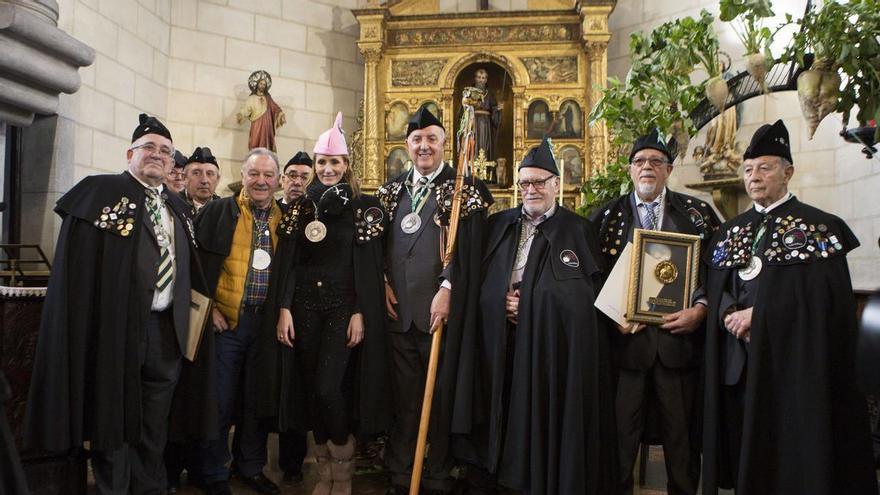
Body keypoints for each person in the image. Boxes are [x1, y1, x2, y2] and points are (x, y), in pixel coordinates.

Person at [24, 114, 212, 494]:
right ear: (130, 154)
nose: (157, 155)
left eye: (165, 150)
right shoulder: (99, 193)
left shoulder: (177, 207)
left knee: (154, 421)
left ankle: (148, 487)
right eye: (149, 148)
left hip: (166, 331)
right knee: (111, 417)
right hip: (116, 328)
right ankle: (113, 489)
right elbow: (77, 272)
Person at [701, 120, 878, 495]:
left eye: (765, 167)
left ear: (788, 172)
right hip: (740, 366)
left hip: (792, 368)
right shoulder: (730, 230)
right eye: (748, 170)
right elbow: (718, 286)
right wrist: (728, 314)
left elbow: (825, 304)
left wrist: (761, 317)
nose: (754, 177)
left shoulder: (819, 229)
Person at [468, 137, 616, 494]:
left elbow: (584, 300)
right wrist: (499, 302)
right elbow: (477, 281)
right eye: (525, 183)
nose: (530, 190)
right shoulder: (499, 224)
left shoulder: (578, 229)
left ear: (555, 185)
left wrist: (531, 306)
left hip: (551, 351)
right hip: (502, 342)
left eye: (538, 182)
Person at [259, 112, 388, 495]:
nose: (327, 169)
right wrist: (283, 307)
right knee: (311, 388)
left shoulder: (363, 206)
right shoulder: (301, 207)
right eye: (322, 162)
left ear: (347, 164)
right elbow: (291, 263)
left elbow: (366, 267)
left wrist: (360, 310)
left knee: (331, 387)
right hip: (303, 307)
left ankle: (344, 467)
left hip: (341, 308)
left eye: (334, 162)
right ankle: (325, 471)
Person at [588, 129, 720, 495]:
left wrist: (702, 309)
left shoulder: (698, 215)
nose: (647, 167)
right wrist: (612, 314)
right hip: (625, 351)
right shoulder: (606, 218)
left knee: (681, 443)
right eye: (640, 161)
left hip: (678, 348)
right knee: (618, 441)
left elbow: (717, 272)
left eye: (655, 162)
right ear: (629, 169)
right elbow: (590, 280)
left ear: (669, 169)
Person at [377, 107, 491, 494]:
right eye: (416, 139)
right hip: (399, 313)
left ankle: (440, 471)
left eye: (431, 139)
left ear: (445, 144)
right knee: (403, 396)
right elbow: (374, 247)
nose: (423, 146)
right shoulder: (390, 191)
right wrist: (382, 280)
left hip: (440, 314)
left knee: (439, 396)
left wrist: (448, 289)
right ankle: (401, 468)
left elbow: (472, 252)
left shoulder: (465, 191)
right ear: (406, 145)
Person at [194, 148, 283, 495]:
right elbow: (196, 267)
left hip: (265, 327)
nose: (261, 181)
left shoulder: (285, 217)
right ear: (242, 176)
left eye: (268, 175)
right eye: (254, 174)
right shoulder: (218, 212)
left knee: (255, 401)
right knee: (219, 401)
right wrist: (210, 309)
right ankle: (214, 472)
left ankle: (250, 467)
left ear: (276, 181)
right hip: (227, 324)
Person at [237, 70, 286, 152]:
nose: (262, 86)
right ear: (257, 85)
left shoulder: (268, 98)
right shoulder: (252, 98)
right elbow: (245, 109)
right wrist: (241, 115)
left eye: (264, 84)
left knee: (266, 146)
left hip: (267, 127)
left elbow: (275, 108)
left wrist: (280, 114)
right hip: (257, 125)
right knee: (255, 145)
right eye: (261, 84)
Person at [467, 69, 503, 162]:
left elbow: (494, 110)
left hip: (486, 124)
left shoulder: (490, 94)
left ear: (486, 80)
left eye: (483, 78)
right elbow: (462, 110)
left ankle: (486, 169)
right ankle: (472, 169)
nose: (481, 80)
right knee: (473, 144)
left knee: (485, 145)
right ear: (475, 78)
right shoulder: (468, 93)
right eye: (479, 77)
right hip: (473, 122)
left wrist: (498, 109)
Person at [181, 146, 221, 215]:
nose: (204, 180)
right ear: (184, 177)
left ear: (217, 179)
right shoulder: (173, 205)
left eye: (210, 174)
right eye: (196, 173)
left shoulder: (224, 209)